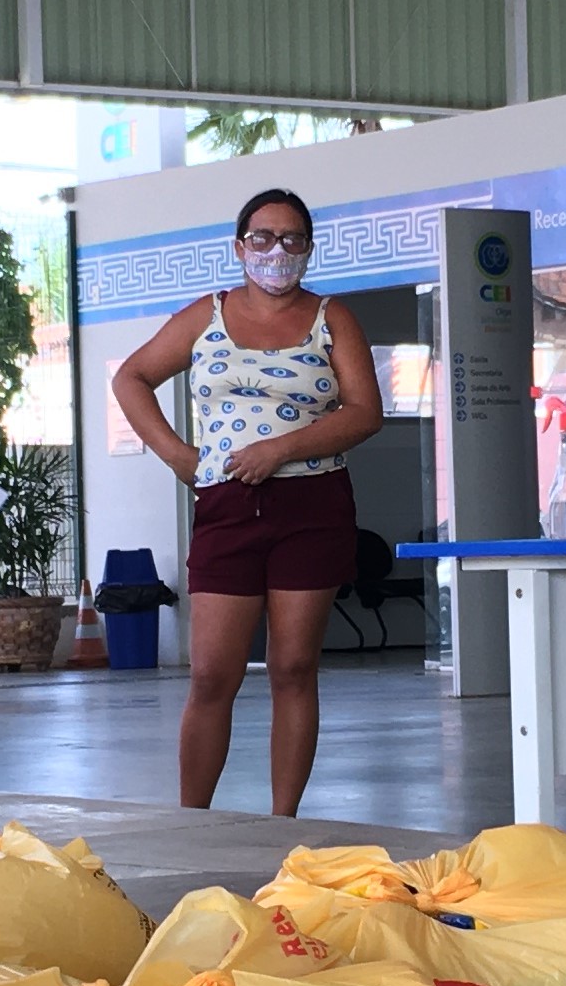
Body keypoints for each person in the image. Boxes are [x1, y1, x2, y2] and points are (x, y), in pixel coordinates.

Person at [111, 188, 383, 815]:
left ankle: (282, 822)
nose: (276, 251)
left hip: (312, 505)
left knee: (292, 668)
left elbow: (365, 413)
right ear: (239, 247)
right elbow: (131, 377)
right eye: (262, 238)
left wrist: (281, 449)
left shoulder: (332, 317)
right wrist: (180, 457)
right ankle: (192, 821)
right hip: (227, 507)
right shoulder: (205, 315)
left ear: (308, 250)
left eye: (291, 239)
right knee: (211, 676)